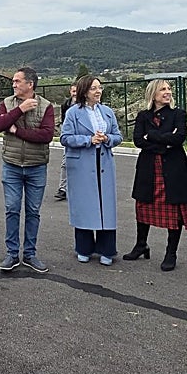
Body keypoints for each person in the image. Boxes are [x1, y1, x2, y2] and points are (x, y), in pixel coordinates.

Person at [127, 79, 187, 271]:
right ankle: (141, 245)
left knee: (174, 211)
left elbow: (179, 138)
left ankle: (171, 252)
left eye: (169, 89)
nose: (168, 92)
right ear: (153, 94)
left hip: (173, 169)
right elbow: (138, 141)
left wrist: (153, 136)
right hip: (148, 168)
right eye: (163, 89)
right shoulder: (143, 116)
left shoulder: (178, 114)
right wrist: (164, 141)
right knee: (143, 206)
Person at [0, 67, 55, 273]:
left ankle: (30, 254)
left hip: (36, 167)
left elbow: (46, 136)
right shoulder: (7, 103)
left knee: (33, 212)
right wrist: (20, 110)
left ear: (30, 84)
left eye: (18, 81)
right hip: (12, 165)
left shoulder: (46, 106)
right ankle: (11, 254)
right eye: (14, 81)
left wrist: (17, 130)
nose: (14, 84)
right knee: (12, 209)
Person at [60, 75, 123, 264]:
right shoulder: (73, 113)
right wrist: (88, 140)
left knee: (106, 206)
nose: (98, 91)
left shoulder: (107, 112)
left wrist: (107, 139)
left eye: (100, 88)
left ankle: (107, 250)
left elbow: (117, 136)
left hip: (103, 162)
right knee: (85, 205)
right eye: (94, 88)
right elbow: (65, 138)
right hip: (81, 164)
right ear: (84, 91)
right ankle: (84, 248)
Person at [54, 83, 77, 201]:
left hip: (82, 137)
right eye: (73, 91)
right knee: (65, 163)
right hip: (70, 138)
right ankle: (63, 189)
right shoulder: (66, 105)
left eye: (77, 91)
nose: (75, 94)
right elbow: (64, 122)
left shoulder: (87, 105)